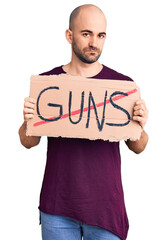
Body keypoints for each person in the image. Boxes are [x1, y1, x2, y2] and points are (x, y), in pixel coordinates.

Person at [19, 4, 148, 240]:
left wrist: (140, 124)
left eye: (100, 35)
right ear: (70, 36)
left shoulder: (122, 86)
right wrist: (28, 118)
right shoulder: (47, 83)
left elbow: (138, 147)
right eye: (86, 33)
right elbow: (28, 142)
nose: (94, 43)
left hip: (106, 211)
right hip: (57, 208)